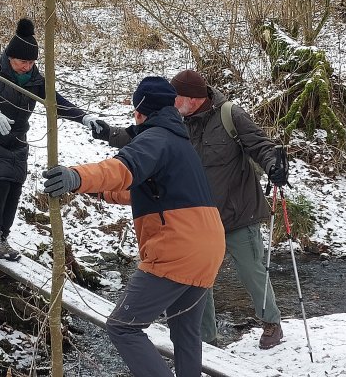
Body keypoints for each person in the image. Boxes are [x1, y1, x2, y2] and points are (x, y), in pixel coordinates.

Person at [87, 70, 289, 350]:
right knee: (197, 281)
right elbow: (144, 139)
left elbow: (260, 145)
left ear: (192, 99)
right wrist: (109, 133)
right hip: (198, 221)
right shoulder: (175, 121)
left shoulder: (230, 115)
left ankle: (271, 324)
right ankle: (207, 340)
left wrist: (273, 166)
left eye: (176, 96)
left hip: (237, 214)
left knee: (252, 273)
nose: (171, 100)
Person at [42, 76, 225, 376]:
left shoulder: (155, 139)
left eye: (134, 109)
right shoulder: (179, 142)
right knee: (185, 333)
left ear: (141, 110)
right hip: (208, 248)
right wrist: (91, 189)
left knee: (123, 327)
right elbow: (142, 189)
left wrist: (76, 176)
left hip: (178, 249)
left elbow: (121, 169)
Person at [0, 18, 88, 260]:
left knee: (15, 183)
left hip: (15, 137)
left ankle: (2, 237)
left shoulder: (35, 78)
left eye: (31, 62)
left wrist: (82, 117)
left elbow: (54, 100)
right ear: (10, 57)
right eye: (22, 61)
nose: (27, 66)